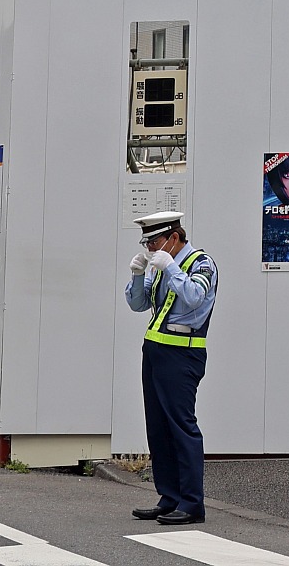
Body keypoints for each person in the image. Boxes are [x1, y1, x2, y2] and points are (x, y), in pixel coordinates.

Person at [123, 207, 216, 526]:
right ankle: (169, 497)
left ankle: (192, 503)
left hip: (183, 353)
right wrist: (138, 275)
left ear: (173, 237)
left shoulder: (201, 263)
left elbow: (194, 297)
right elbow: (138, 304)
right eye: (146, 244)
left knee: (181, 426)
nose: (150, 249)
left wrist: (171, 268)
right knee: (158, 427)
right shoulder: (160, 264)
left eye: (153, 243)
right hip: (155, 350)